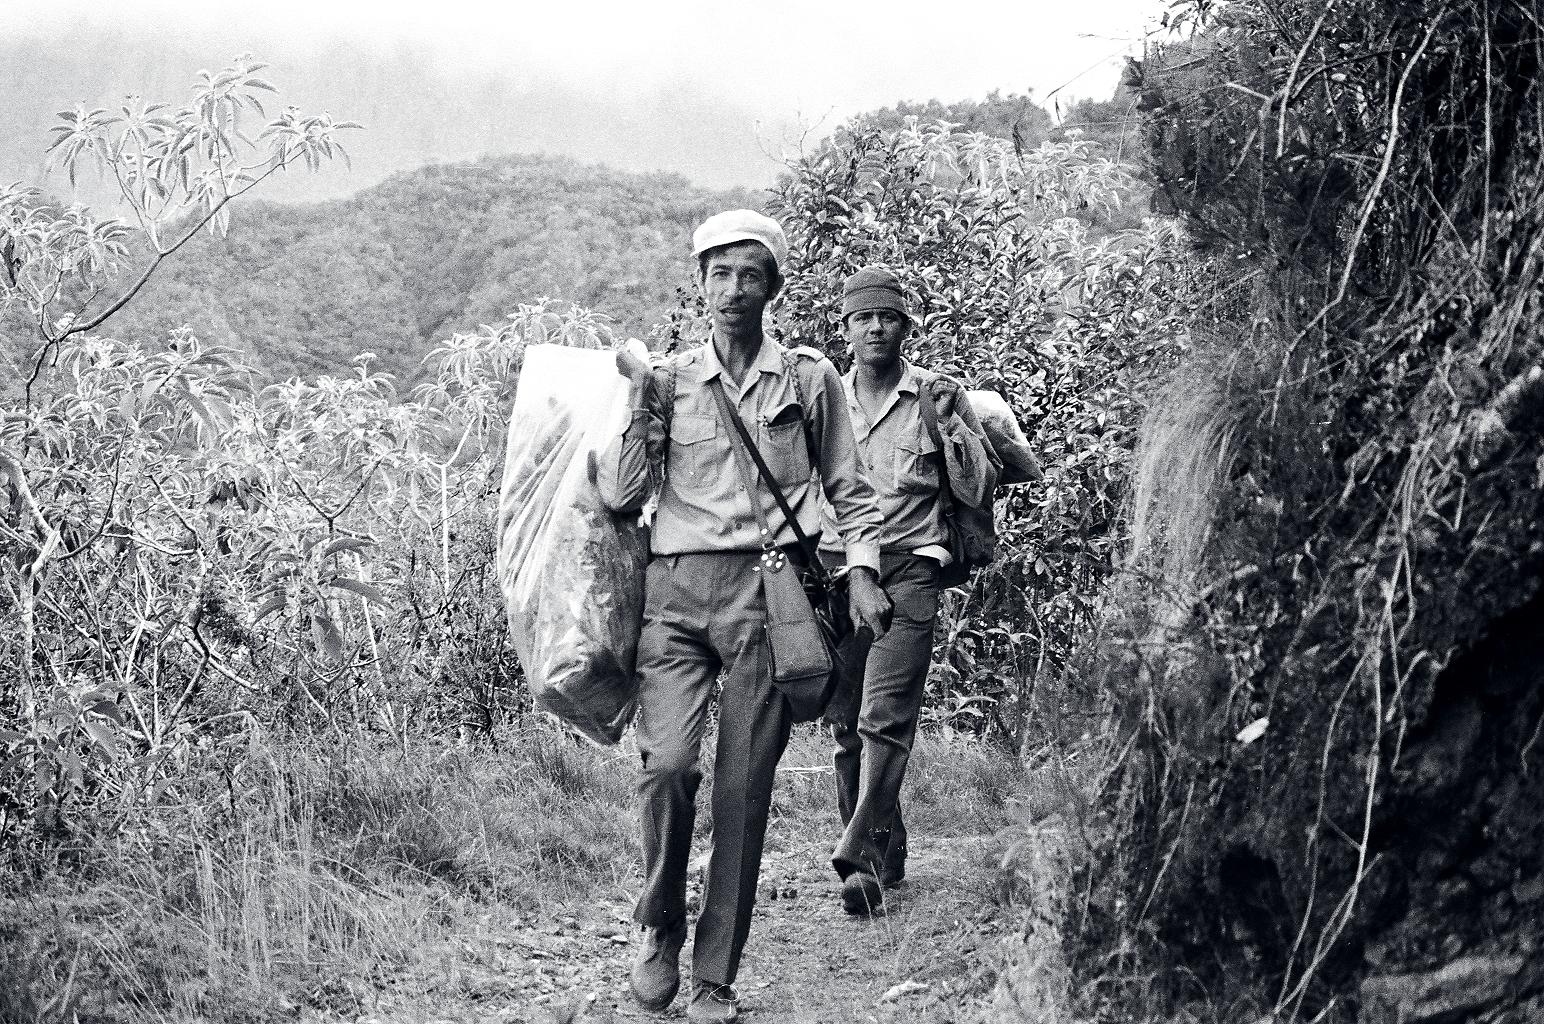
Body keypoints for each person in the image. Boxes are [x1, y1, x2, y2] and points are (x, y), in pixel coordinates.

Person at [596, 210, 893, 1023]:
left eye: (748, 275)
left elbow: (851, 491)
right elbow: (624, 496)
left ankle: (713, 977)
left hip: (770, 598)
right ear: (699, 286)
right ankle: (658, 926)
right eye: (718, 274)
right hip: (676, 596)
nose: (732, 291)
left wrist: (862, 571)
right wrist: (636, 402)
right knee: (667, 770)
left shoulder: (808, 378)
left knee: (742, 790)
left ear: (773, 288)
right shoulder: (667, 380)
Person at [819, 266, 994, 916]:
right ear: (845, 327)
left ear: (906, 327)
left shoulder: (935, 396)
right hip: (839, 576)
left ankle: (857, 856)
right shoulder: (825, 398)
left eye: (887, 317)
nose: (874, 327)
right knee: (845, 730)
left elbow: (977, 490)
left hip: (911, 572)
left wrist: (953, 429)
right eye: (862, 317)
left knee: (883, 718)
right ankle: (885, 856)